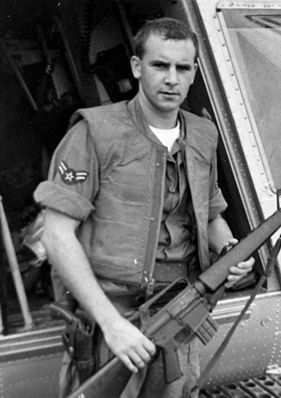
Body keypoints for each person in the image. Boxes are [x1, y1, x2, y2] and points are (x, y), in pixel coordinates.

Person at [34, 17, 254, 398]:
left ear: (194, 73)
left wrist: (230, 251)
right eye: (160, 65)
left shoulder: (203, 135)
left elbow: (211, 215)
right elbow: (56, 235)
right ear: (137, 68)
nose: (171, 78)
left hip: (182, 310)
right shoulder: (95, 132)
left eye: (182, 68)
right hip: (115, 318)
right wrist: (111, 325)